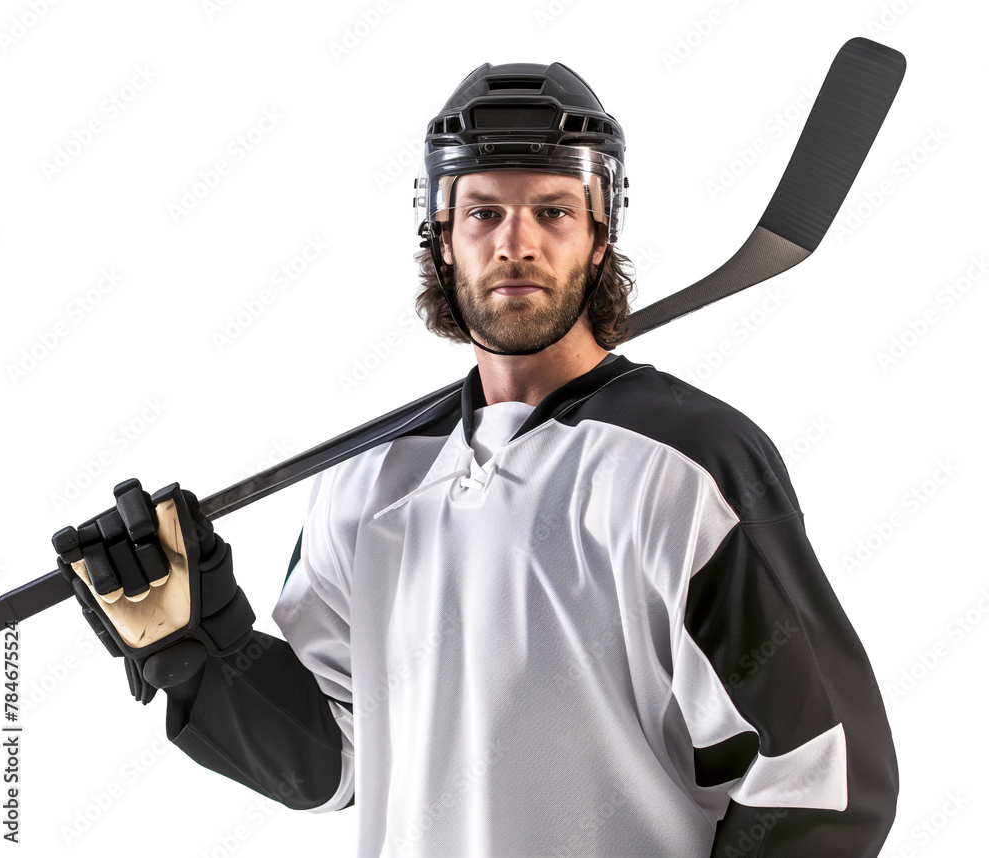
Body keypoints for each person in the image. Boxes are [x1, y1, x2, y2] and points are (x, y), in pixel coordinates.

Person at [53, 62, 898, 856]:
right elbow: (334, 765)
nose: (515, 242)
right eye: (484, 212)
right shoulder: (367, 481)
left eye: (554, 211)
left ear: (601, 236)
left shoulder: (689, 463)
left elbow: (827, 779)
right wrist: (203, 650)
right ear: (442, 237)